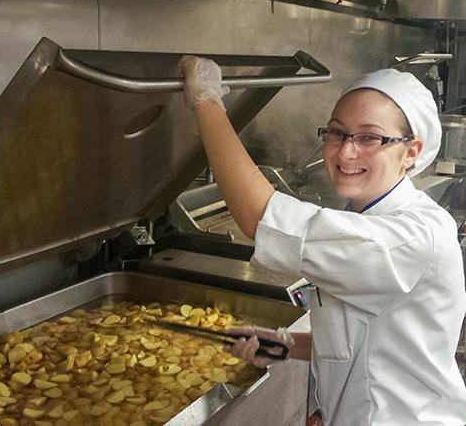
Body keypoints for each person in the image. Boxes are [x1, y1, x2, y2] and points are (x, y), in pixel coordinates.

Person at [179, 55, 466, 425]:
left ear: (411, 152)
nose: (346, 151)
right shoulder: (369, 218)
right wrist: (283, 344)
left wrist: (206, 101)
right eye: (337, 132)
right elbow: (370, 343)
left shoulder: (408, 239)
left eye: (370, 137)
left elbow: (258, 216)